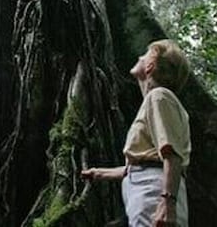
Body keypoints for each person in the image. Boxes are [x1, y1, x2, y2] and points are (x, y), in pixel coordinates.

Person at [81, 39, 191, 227]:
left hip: (155, 193)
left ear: (150, 65)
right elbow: (144, 161)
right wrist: (99, 174)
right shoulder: (157, 100)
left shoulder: (159, 97)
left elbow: (171, 155)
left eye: (145, 54)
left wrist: (167, 202)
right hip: (147, 190)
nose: (140, 57)